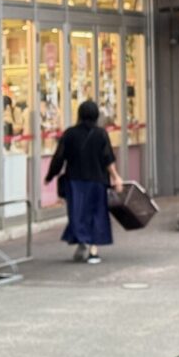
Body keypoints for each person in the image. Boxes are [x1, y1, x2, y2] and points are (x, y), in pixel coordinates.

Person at [45, 99, 123, 265]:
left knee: (78, 214)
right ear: (96, 115)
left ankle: (82, 242)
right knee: (97, 214)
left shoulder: (69, 134)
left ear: (79, 114)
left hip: (75, 182)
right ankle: (93, 250)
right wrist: (116, 177)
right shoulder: (101, 134)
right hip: (97, 181)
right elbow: (107, 158)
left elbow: (59, 157)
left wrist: (51, 175)